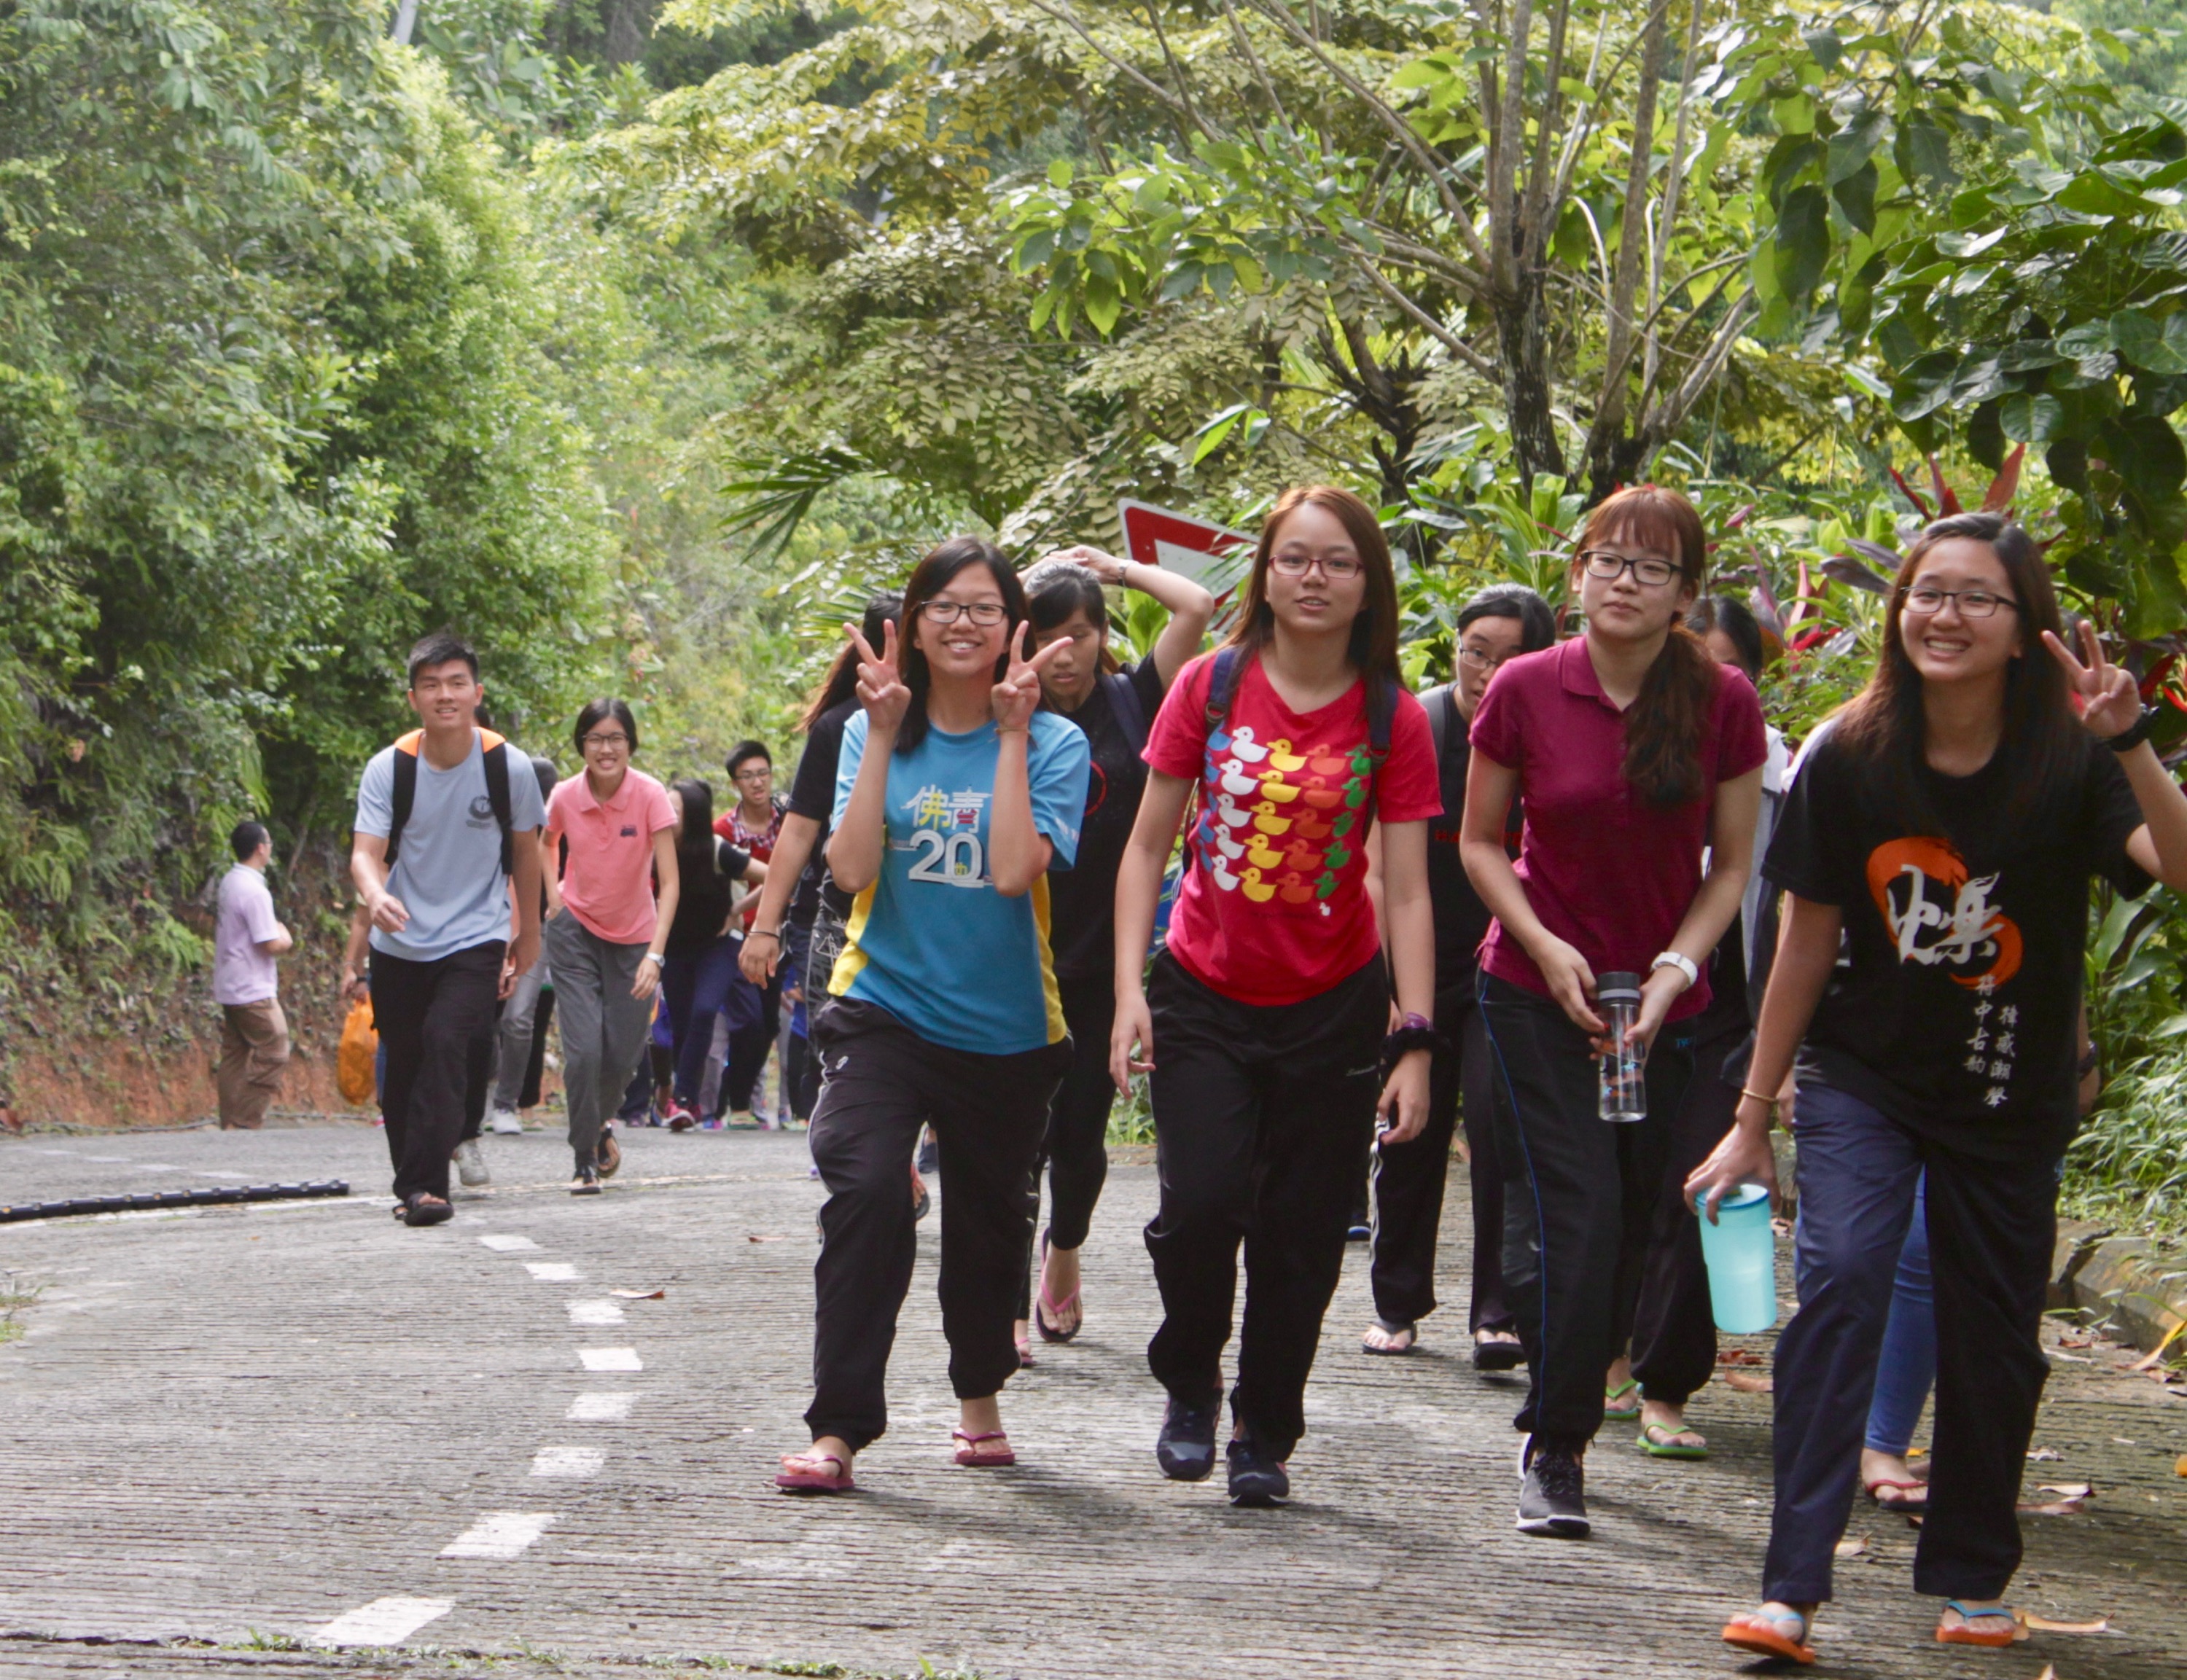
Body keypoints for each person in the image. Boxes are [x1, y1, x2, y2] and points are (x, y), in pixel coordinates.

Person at [1693, 511, 2187, 1662]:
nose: (1944, 615)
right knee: (1849, 1278)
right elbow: (1805, 938)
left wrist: (2133, 742)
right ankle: (1791, 1586)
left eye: (1976, 598)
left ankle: (1971, 1579)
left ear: (2025, 629)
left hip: (2012, 1097)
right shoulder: (1852, 751)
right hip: (1865, 1073)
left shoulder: (2072, 760)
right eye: (1927, 592)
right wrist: (1753, 1117)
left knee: (1994, 1334)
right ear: (1898, 610)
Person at [1111, 485, 1443, 1508]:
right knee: (1202, 1204)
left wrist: (1415, 1036)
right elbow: (1145, 846)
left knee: (1301, 1234)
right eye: (1295, 558)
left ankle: (1266, 1427)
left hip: (1333, 1007)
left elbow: (1413, 889)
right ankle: (1192, 1380)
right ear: (1263, 572)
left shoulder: (1391, 715)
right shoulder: (1209, 687)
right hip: (1204, 989)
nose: (1314, 577)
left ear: (1366, 584)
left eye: (1337, 561)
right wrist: (1129, 987)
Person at [1460, 485, 1766, 1537]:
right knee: (1579, 1216)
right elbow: (1480, 842)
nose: (1624, 581)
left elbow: (1731, 867)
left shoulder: (1721, 699)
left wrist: (1679, 968)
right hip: (1536, 990)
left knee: (1642, 1215)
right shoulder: (1525, 688)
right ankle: (1558, 1447)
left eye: (1652, 567)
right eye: (1608, 559)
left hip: (1669, 1002)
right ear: (1577, 569)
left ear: (1686, 591)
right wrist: (1545, 949)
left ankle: (1589, 1396)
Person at [775, 538, 1088, 1496]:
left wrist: (1007, 733)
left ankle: (977, 1398)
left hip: (1004, 1029)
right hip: (882, 1009)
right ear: (911, 624)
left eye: (984, 608)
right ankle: (838, 1429)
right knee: (868, 1187)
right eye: (943, 606)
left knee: (990, 1232)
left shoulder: (1056, 745)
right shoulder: (870, 731)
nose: (962, 622)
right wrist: (876, 733)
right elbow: (855, 869)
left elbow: (1008, 872)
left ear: (1012, 629)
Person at [1013, 547, 1214, 1357]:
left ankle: (1063, 1254)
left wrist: (1115, 568)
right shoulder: (1004, 712)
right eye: (1049, 635)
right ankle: (1005, 1306)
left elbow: (1197, 604)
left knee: (1081, 1134)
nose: (1067, 650)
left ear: (1102, 635)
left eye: (1082, 632)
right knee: (1013, 1133)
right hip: (1016, 952)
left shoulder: (1137, 702)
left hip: (1108, 956)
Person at [1361, 583, 1556, 1361]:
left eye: (1510, 656)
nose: (1488, 671)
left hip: (1510, 965)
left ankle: (1498, 1310)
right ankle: (1398, 1301)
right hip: (1421, 961)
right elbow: (1379, 869)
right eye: (1476, 651)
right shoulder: (1422, 725)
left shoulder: (1550, 732)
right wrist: (1389, 988)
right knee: (1412, 1128)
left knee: (1501, 1130)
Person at [1617, 595, 1792, 1457]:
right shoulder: (1624, 756)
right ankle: (1605, 1349)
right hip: (1623, 1011)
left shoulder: (1787, 783)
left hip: (1730, 1020)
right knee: (1621, 1186)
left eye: (1729, 665)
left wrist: (1784, 1049)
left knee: (1700, 1197)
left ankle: (1666, 1384)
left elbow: (1798, 924)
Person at [352, 632, 545, 1226]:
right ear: (414, 697)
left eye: (457, 683)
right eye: (432, 685)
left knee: (445, 1042)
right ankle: (414, 1180)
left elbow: (527, 853)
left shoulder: (507, 767)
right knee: (405, 1060)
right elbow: (365, 852)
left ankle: (427, 1186)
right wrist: (376, 893)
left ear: (477, 693)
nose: (445, 695)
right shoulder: (390, 768)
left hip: (476, 934)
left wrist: (528, 935)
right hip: (401, 940)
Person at [543, 698, 679, 1195]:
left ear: (630, 744)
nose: (606, 748)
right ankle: (584, 1158)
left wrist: (655, 954)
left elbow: (670, 881)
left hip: (636, 939)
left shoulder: (649, 795)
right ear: (582, 744)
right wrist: (554, 897)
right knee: (582, 1053)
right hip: (575, 929)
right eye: (596, 738)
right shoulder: (563, 794)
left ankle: (598, 1126)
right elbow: (545, 840)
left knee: (622, 1055)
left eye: (616, 738)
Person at [660, 778, 765, 1128]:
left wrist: (738, 908)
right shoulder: (653, 848)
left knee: (704, 1012)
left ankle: (683, 1099)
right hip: (674, 948)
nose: (664, 815)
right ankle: (688, 1102)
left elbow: (774, 876)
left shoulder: (716, 849)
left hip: (718, 945)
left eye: (673, 811)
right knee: (680, 1025)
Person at [485, 754, 562, 1135]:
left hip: (542, 930)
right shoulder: (496, 823)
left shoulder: (560, 831)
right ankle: (478, 1097)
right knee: (480, 1017)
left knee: (519, 1017)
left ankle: (506, 1103)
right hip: (490, 925)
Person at [716, 739, 787, 1126]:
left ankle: (736, 1099)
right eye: (747, 776)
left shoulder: (789, 821)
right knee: (750, 1020)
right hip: (740, 938)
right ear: (735, 784)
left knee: (771, 1023)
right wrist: (733, 914)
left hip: (784, 932)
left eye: (763, 774)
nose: (757, 783)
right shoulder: (723, 830)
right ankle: (738, 1103)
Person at [213, 819, 294, 1131]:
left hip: (229, 981)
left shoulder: (230, 881)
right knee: (275, 1047)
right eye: (269, 842)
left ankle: (229, 1122)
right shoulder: (254, 890)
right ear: (261, 848)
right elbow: (269, 942)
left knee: (235, 1054)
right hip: (252, 988)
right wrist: (285, 938)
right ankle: (245, 1122)